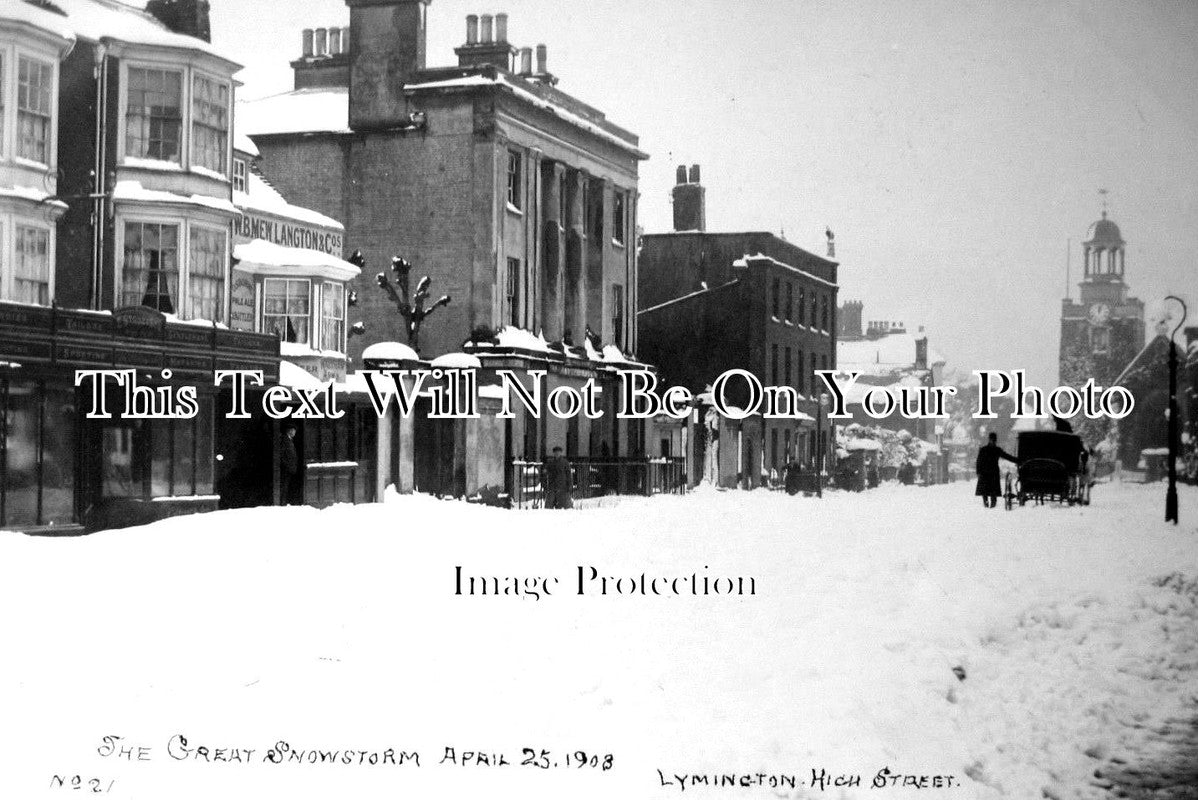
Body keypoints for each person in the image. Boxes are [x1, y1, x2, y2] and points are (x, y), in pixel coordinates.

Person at [975, 432, 1018, 508]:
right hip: (990, 472)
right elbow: (979, 461)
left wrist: (1017, 460)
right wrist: (978, 471)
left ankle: (990, 504)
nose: (993, 441)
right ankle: (988, 503)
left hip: (988, 472)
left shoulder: (985, 449)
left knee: (989, 490)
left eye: (993, 440)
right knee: (989, 490)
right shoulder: (992, 450)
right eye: (992, 440)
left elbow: (979, 461)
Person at [280, 425, 303, 505]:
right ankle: (282, 503)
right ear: (289, 431)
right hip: (287, 468)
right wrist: (287, 466)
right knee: (284, 486)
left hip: (290, 468)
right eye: (293, 430)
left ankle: (285, 502)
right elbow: (282, 455)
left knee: (287, 486)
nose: (294, 432)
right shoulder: (285, 440)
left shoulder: (289, 440)